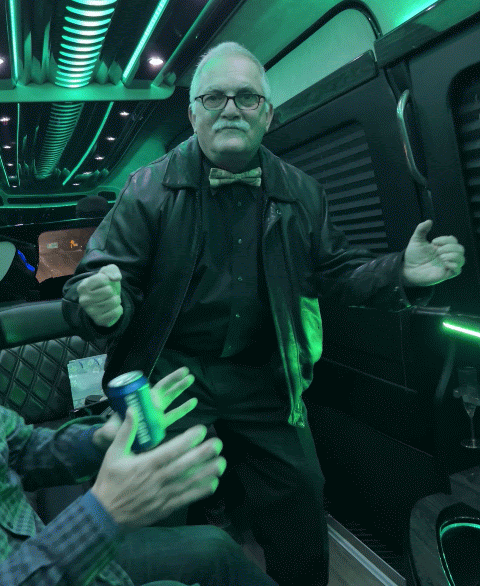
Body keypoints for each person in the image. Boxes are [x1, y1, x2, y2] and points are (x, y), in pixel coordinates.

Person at [62, 41, 466, 586]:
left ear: (268, 115)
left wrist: (401, 272)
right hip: (171, 374)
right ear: (193, 114)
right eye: (214, 98)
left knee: (301, 496)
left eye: (247, 98)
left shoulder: (302, 192)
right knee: (154, 504)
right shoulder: (148, 189)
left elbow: (336, 271)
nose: (230, 109)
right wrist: (100, 304)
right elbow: (97, 284)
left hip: (264, 373)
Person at [0, 366, 279, 586]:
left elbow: (20, 448)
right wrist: (102, 515)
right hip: (44, 564)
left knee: (215, 548)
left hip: (46, 542)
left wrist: (97, 440)